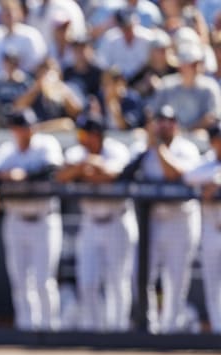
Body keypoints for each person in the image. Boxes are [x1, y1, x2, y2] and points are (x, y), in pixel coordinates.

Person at [118, 105, 201, 334]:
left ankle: (171, 330)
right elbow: (123, 176)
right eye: (160, 120)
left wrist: (159, 147)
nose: (164, 124)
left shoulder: (187, 148)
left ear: (176, 124)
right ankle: (150, 326)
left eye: (169, 120)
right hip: (152, 220)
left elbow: (176, 175)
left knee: (176, 279)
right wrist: (147, 148)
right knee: (139, 275)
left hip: (180, 219)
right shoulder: (143, 147)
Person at [55, 115, 137, 332]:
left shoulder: (116, 149)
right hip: (90, 222)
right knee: (87, 281)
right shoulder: (77, 152)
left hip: (117, 220)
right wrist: (85, 167)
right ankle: (91, 332)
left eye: (84, 134)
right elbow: (62, 176)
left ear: (96, 135)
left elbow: (113, 175)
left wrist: (87, 169)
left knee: (118, 281)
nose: (80, 138)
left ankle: (118, 332)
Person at [0, 108, 64, 331]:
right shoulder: (7, 150)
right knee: (20, 282)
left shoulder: (46, 145)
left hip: (44, 219)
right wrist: (2, 178)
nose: (25, 131)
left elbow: (53, 171)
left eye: (28, 127)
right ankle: (26, 329)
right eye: (20, 127)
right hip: (16, 218)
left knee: (43, 281)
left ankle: (50, 330)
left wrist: (23, 175)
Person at [183, 121, 221, 333]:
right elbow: (189, 177)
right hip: (210, 230)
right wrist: (212, 179)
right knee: (212, 285)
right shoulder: (205, 161)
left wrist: (216, 180)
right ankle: (217, 331)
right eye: (217, 140)